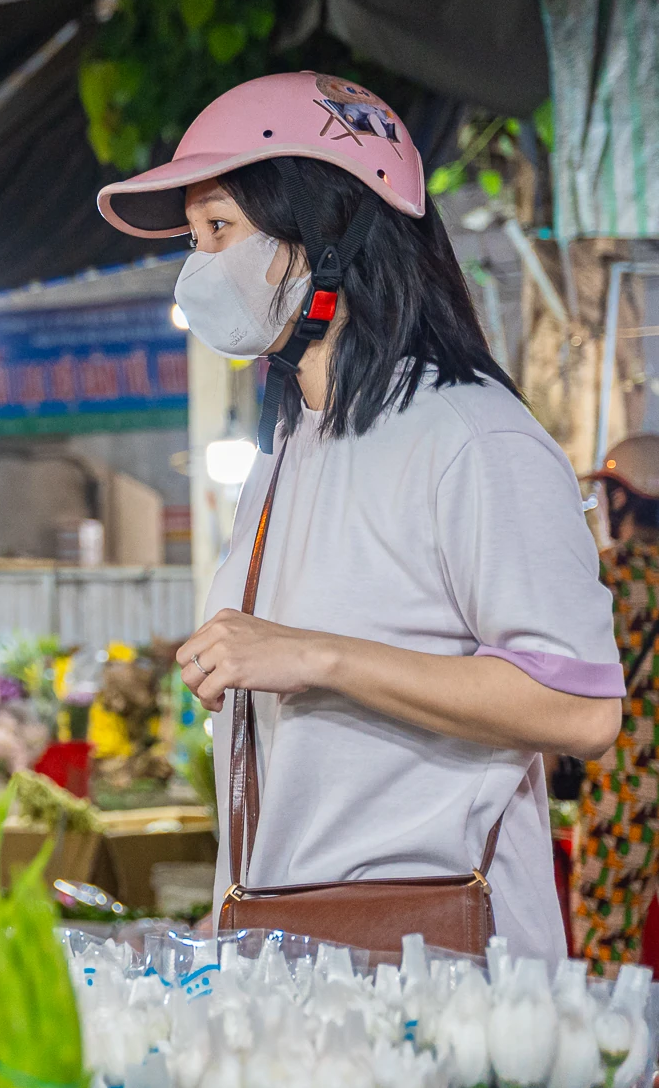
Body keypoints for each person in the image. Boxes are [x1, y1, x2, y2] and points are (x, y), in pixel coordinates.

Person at [97, 72, 620, 961]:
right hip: (300, 962)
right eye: (193, 239)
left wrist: (317, 656)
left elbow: (577, 703)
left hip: (448, 971)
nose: (199, 266)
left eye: (220, 229)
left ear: (326, 231)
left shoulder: (470, 434)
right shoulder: (288, 444)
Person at [572, 434, 659, 970]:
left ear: (622, 499)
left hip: (623, 789)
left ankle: (612, 1051)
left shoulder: (606, 577)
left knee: (606, 953)